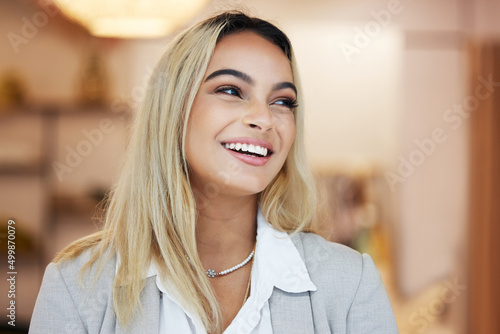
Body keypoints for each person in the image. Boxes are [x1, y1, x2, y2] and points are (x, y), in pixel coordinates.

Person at [29, 11, 398, 334]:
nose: (264, 119)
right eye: (231, 90)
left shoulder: (350, 284)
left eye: (282, 101)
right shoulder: (77, 286)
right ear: (174, 110)